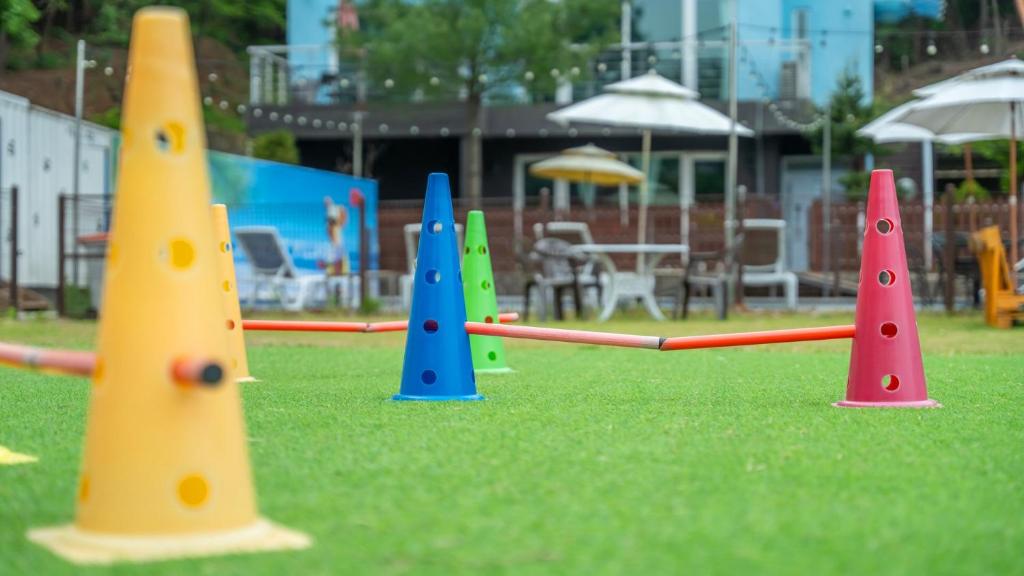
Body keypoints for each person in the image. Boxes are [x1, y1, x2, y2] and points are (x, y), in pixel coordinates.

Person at [324, 196, 350, 277]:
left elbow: (343, 212)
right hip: (335, 242)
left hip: (336, 242)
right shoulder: (331, 212)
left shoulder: (333, 211)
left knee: (337, 260)